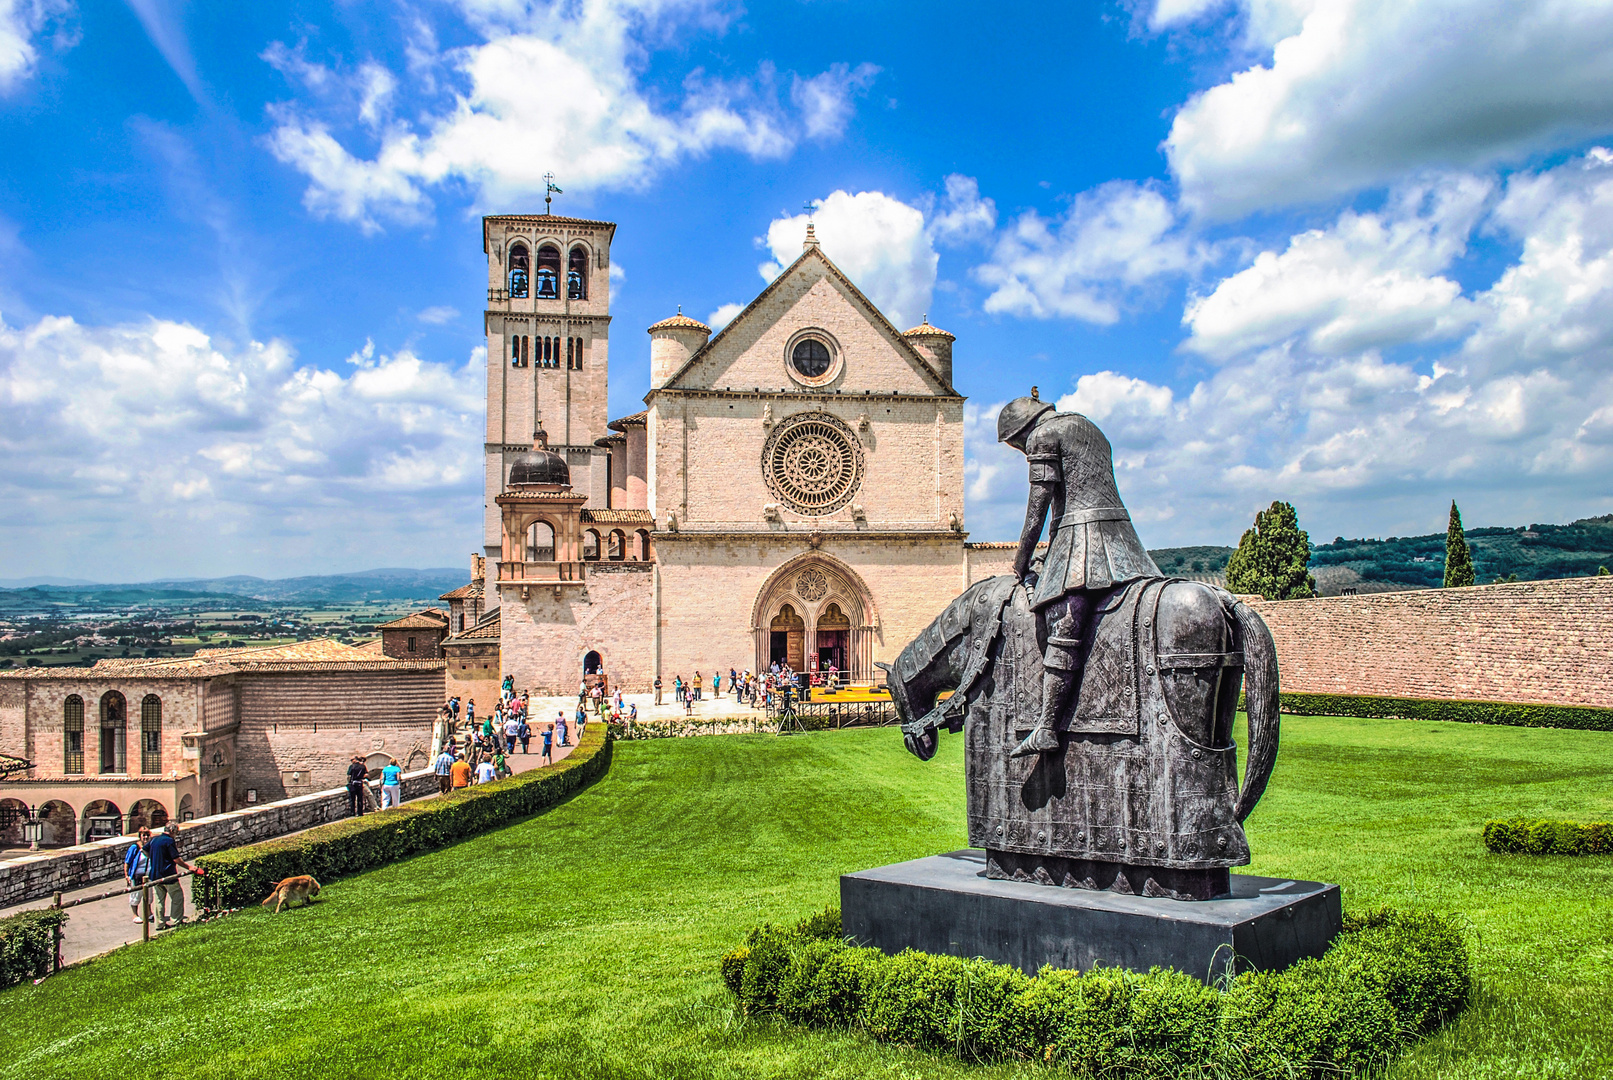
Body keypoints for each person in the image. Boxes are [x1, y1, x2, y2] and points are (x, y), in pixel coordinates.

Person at [997, 388, 1159, 757]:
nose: (1021, 451)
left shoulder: (1043, 435)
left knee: (1064, 623)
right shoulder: (1090, 428)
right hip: (1121, 536)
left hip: (1082, 538)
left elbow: (1038, 509)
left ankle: (1046, 727)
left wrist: (1021, 561)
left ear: (1021, 432)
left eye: (1015, 445)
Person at [147, 823, 202, 929]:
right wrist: (189, 867)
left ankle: (159, 924)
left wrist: (154, 858)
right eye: (176, 832)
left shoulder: (154, 839)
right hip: (168, 875)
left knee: (159, 900)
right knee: (177, 897)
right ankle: (177, 920)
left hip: (155, 875)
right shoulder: (169, 841)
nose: (176, 834)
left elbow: (144, 849)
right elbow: (176, 859)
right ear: (172, 831)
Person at [125, 827, 152, 924]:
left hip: (148, 874)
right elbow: (127, 862)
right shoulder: (134, 847)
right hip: (137, 875)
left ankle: (149, 913)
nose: (145, 837)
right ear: (140, 836)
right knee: (136, 895)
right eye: (143, 835)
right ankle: (135, 914)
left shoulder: (150, 846)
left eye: (147, 835)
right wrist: (127, 875)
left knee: (149, 895)